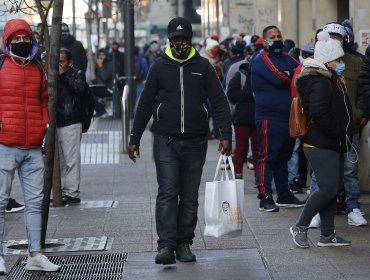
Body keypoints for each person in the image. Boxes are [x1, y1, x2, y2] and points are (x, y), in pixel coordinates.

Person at [128, 17, 232, 265]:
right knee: (167, 192)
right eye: (176, 39)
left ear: (191, 40)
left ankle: (184, 242)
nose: (181, 43)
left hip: (196, 141)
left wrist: (226, 134)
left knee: (189, 196)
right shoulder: (159, 66)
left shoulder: (204, 67)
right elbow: (144, 104)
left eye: (184, 39)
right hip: (165, 139)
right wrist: (134, 137)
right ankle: (165, 245)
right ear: (169, 40)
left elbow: (219, 102)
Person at [0, 18, 60, 274]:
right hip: (5, 144)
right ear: (8, 41)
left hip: (34, 145)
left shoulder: (37, 67)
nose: (22, 42)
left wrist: (44, 123)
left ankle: (35, 254)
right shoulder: (1, 65)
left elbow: (43, 99)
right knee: (0, 202)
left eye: (26, 38)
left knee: (35, 202)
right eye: (17, 39)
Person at [290, 30, 353, 248]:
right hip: (321, 142)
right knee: (327, 188)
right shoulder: (319, 82)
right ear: (327, 61)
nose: (341, 62)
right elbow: (319, 112)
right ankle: (300, 226)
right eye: (338, 59)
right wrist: (339, 131)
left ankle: (327, 234)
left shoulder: (329, 79)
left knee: (332, 188)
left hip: (330, 142)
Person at [250, 25, 304, 212]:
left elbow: (301, 72)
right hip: (269, 117)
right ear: (264, 41)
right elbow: (280, 77)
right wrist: (292, 75)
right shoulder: (260, 59)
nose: (277, 39)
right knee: (267, 156)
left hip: (287, 116)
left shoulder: (286, 57)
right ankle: (264, 196)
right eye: (272, 36)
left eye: (279, 35)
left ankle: (284, 194)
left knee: (284, 156)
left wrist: (293, 75)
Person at [323, 22, 368, 226]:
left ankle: (353, 208)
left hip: (351, 126)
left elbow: (362, 91)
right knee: (322, 171)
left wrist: (358, 114)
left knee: (350, 170)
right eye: (330, 36)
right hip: (325, 127)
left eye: (338, 37)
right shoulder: (318, 62)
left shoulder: (356, 63)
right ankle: (319, 210)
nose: (335, 40)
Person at [56, 48, 87, 206]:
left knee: (71, 159)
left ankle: (72, 193)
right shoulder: (51, 74)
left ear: (70, 62)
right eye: (57, 62)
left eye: (62, 62)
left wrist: (65, 76)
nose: (59, 65)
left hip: (71, 121)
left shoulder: (76, 74)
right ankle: (59, 191)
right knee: (58, 161)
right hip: (55, 122)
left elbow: (80, 89)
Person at [227, 60, 258, 180]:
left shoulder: (257, 76)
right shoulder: (239, 76)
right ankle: (238, 176)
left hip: (250, 118)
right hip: (243, 119)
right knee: (243, 149)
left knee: (252, 150)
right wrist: (251, 94)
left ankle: (255, 177)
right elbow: (232, 94)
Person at [93, 48, 114, 117]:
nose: (101, 57)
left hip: (108, 88)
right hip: (100, 87)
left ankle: (101, 110)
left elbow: (105, 77)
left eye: (103, 55)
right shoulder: (98, 65)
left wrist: (101, 66)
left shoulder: (110, 64)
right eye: (100, 55)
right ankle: (100, 108)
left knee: (90, 92)